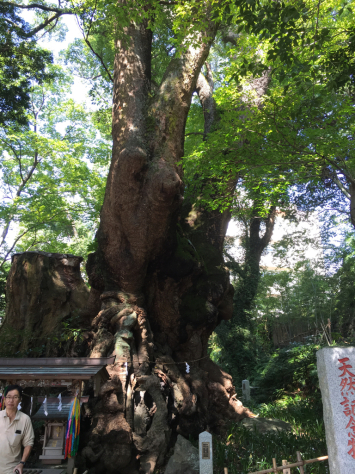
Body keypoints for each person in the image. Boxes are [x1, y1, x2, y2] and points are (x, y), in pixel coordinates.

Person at [0, 384, 35, 474]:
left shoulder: (25, 419)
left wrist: (21, 463)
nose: (11, 400)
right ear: (4, 399)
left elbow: (28, 443)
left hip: (12, 469)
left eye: (15, 397)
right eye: (9, 397)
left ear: (19, 400)